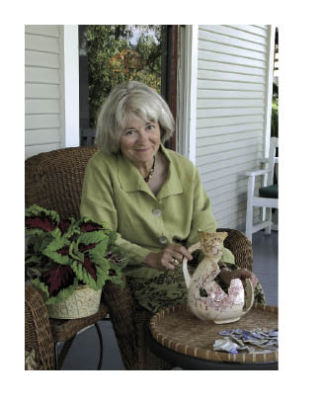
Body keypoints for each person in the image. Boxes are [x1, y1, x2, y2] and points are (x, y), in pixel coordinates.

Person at [80, 81, 265, 315]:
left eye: (149, 127)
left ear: (161, 126)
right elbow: (97, 234)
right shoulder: (102, 168)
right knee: (205, 303)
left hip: (197, 267)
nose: (143, 139)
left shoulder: (184, 168)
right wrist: (150, 257)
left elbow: (205, 229)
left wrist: (222, 268)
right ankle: (197, 350)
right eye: (130, 132)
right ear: (115, 135)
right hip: (141, 274)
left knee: (248, 293)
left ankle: (236, 350)